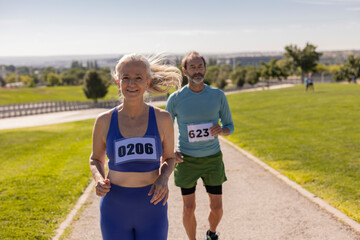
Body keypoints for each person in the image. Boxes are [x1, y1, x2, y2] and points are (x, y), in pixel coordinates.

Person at [89, 53, 182, 240]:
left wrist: (163, 178)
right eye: (126, 78)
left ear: (147, 82)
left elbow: (170, 158)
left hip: (152, 204)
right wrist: (98, 179)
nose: (132, 84)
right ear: (118, 81)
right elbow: (95, 159)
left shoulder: (162, 119)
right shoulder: (104, 121)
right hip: (114, 207)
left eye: (138, 78)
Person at [166, 51, 234, 240]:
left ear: (205, 68)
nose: (197, 71)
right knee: (189, 208)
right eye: (193, 67)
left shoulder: (217, 95)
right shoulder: (176, 99)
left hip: (212, 159)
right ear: (185, 70)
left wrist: (222, 130)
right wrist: (170, 151)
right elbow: (165, 129)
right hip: (186, 160)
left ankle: (211, 233)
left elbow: (230, 126)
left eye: (200, 66)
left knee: (217, 207)